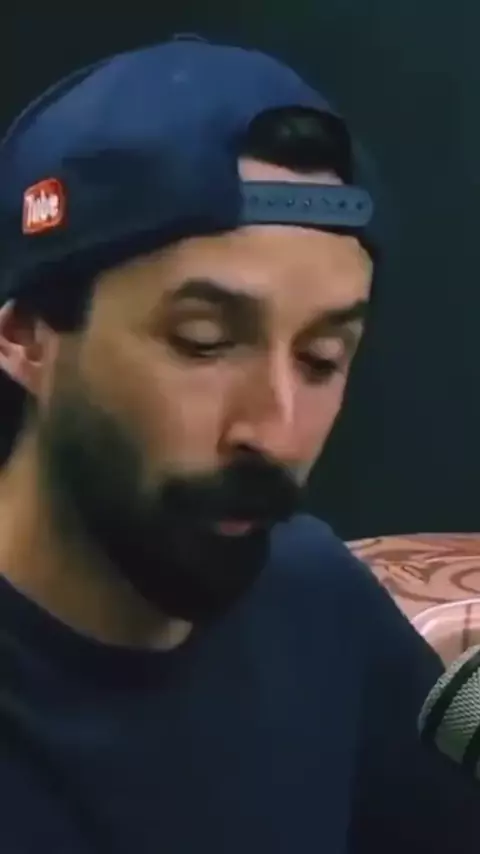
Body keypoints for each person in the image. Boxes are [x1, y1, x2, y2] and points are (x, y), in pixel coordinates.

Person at [0, 35, 475, 854]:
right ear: (27, 337)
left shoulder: (314, 597)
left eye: (322, 358)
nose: (277, 431)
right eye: (204, 342)